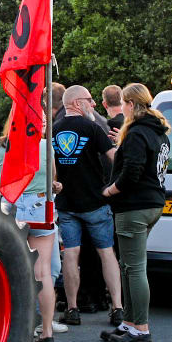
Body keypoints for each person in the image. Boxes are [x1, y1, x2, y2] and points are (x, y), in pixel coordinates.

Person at [102, 82, 170, 342]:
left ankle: (140, 328)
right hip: (153, 203)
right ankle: (129, 323)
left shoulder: (137, 133)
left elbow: (132, 172)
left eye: (124, 103)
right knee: (128, 266)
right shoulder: (159, 133)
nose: (123, 108)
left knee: (135, 268)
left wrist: (110, 191)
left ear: (130, 104)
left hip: (134, 206)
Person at [54, 84, 123, 327]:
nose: (93, 104)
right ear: (76, 103)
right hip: (95, 202)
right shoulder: (93, 128)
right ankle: (117, 308)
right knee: (107, 253)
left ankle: (72, 308)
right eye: (89, 100)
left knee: (71, 255)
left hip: (66, 204)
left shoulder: (53, 130)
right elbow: (115, 160)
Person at [0, 109, 63, 342]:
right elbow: (52, 178)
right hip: (39, 206)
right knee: (43, 272)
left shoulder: (0, 147)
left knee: (9, 269)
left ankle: (12, 328)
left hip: (12, 206)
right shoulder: (46, 147)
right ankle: (46, 331)